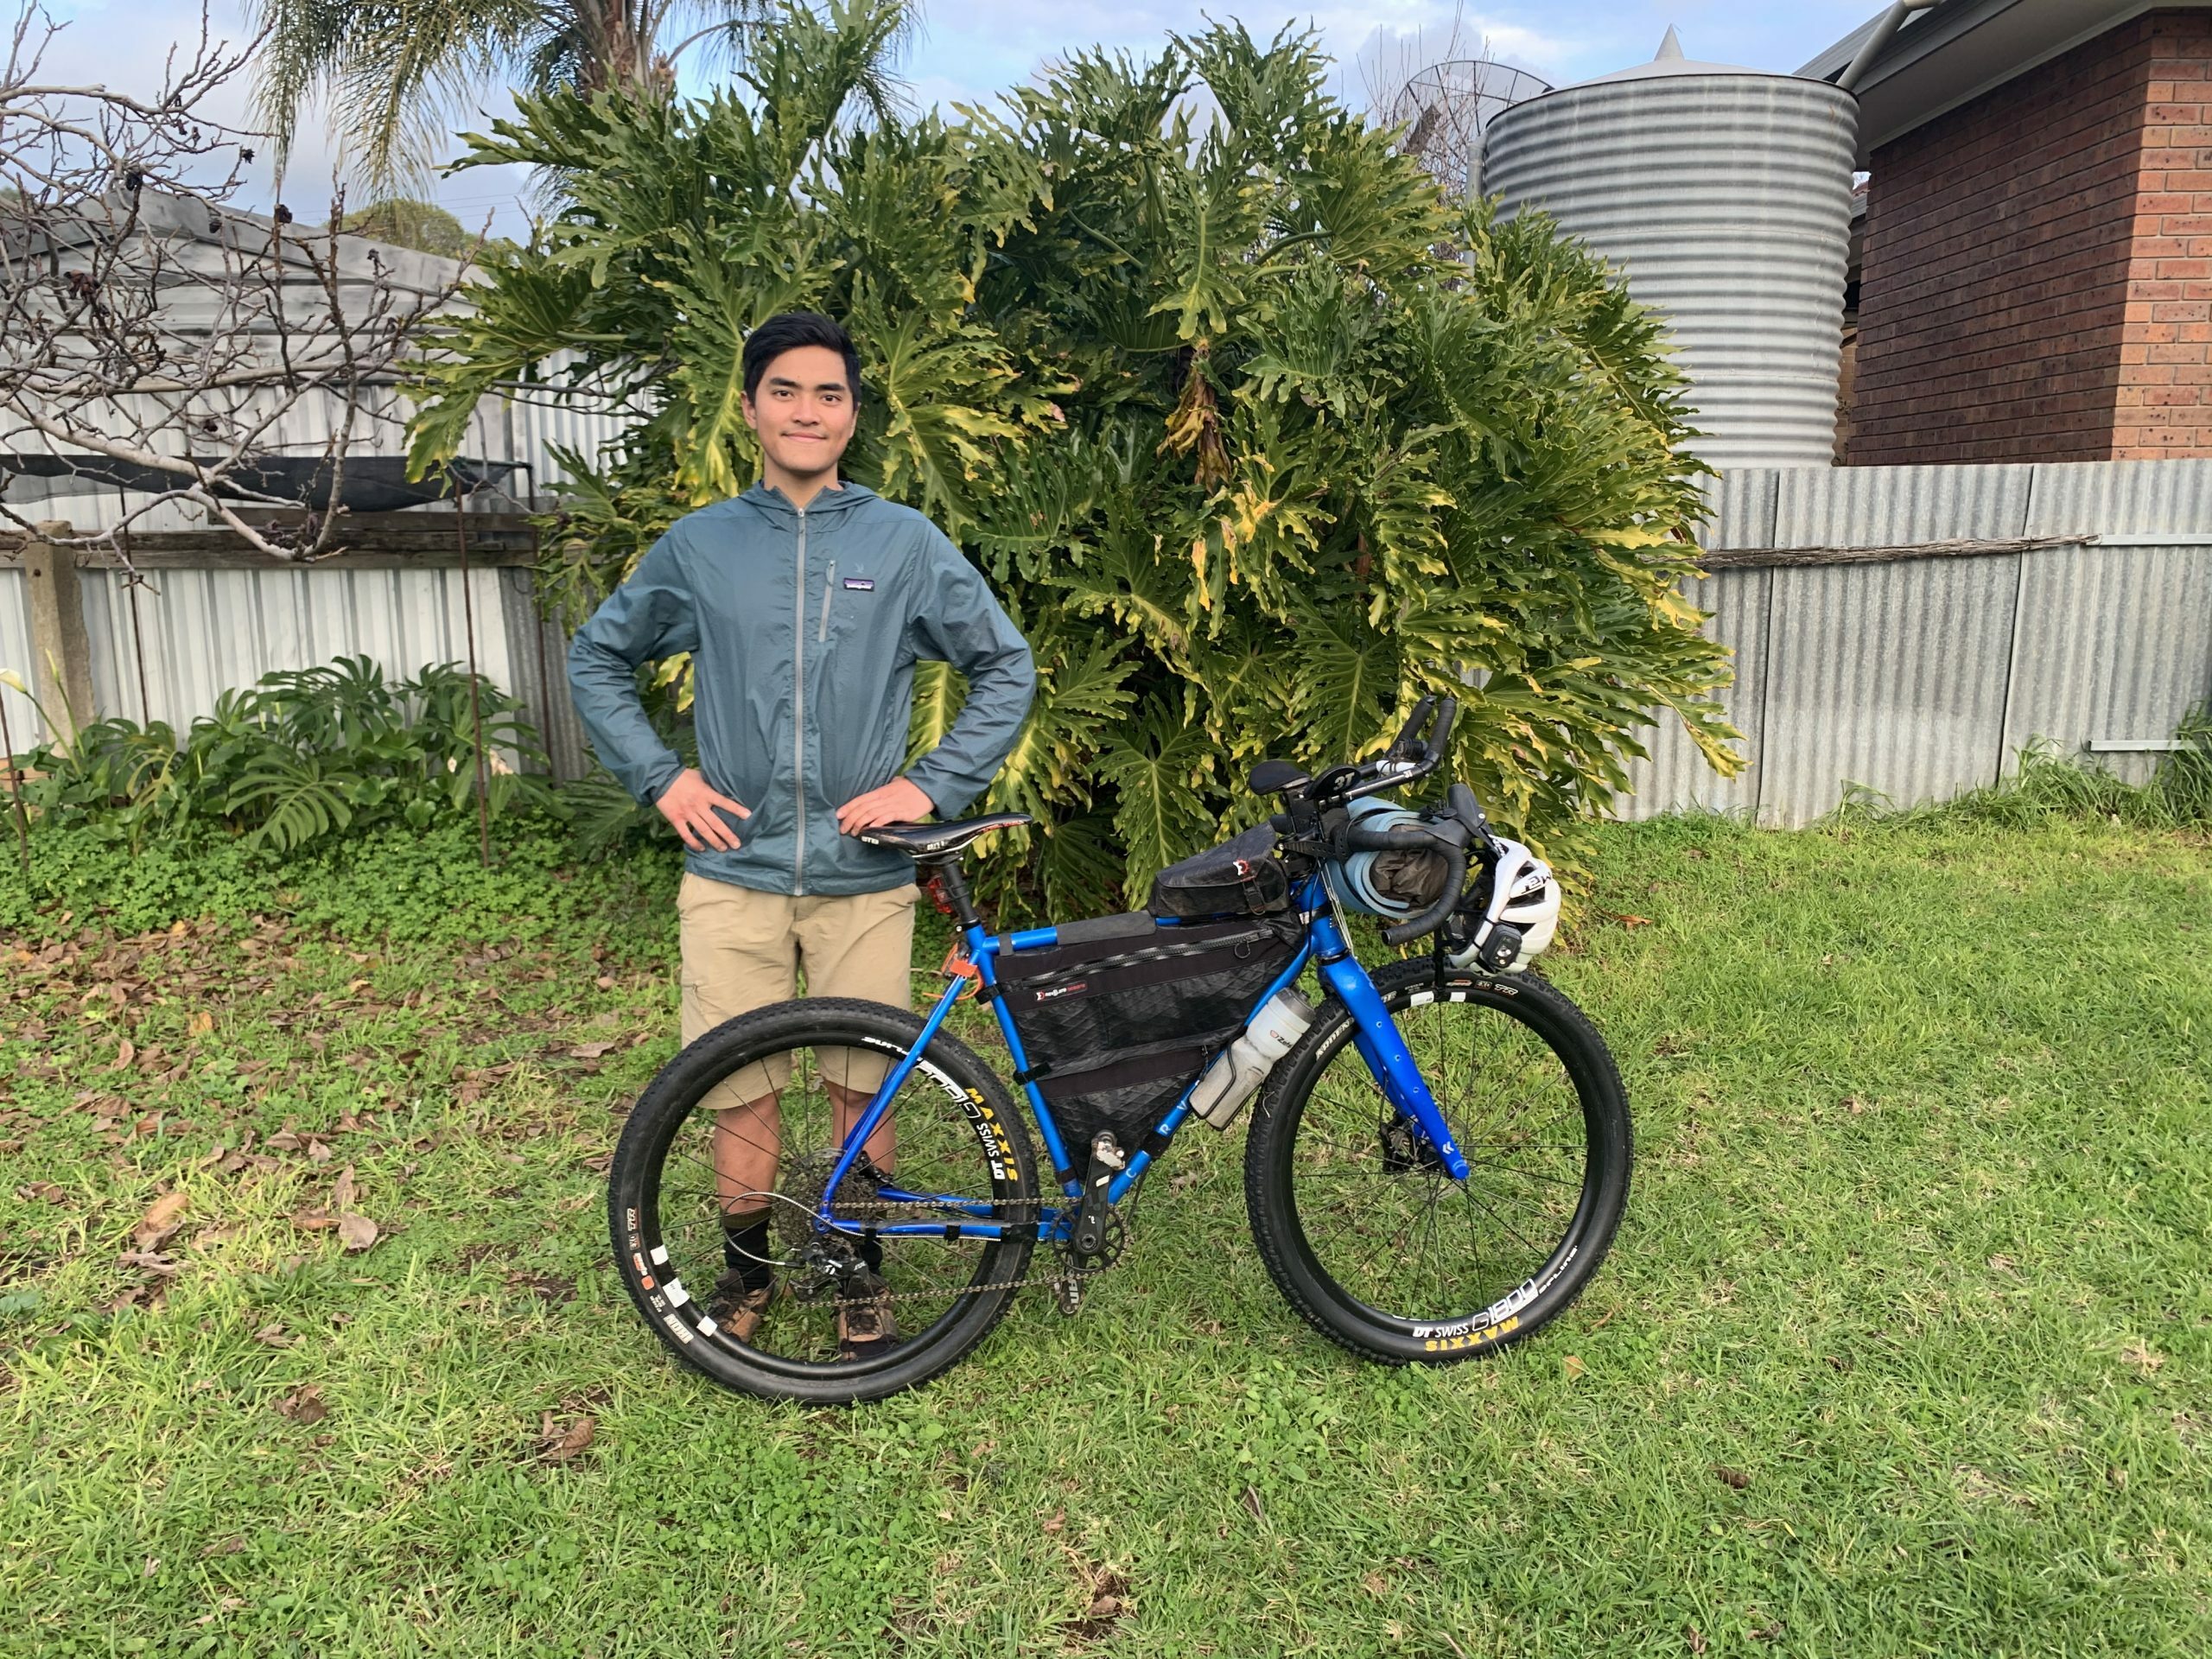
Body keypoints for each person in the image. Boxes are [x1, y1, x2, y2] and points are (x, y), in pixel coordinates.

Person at [568, 311, 1035, 1358]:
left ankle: (853, 1267)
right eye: (785, 391)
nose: (807, 411)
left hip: (864, 875)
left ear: (853, 414)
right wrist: (662, 778)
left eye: (829, 394)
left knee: (857, 1083)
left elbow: (1005, 666)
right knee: (738, 1086)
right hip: (731, 869)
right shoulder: (700, 546)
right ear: (750, 408)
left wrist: (929, 783)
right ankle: (747, 1274)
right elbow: (598, 659)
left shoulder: (903, 542)